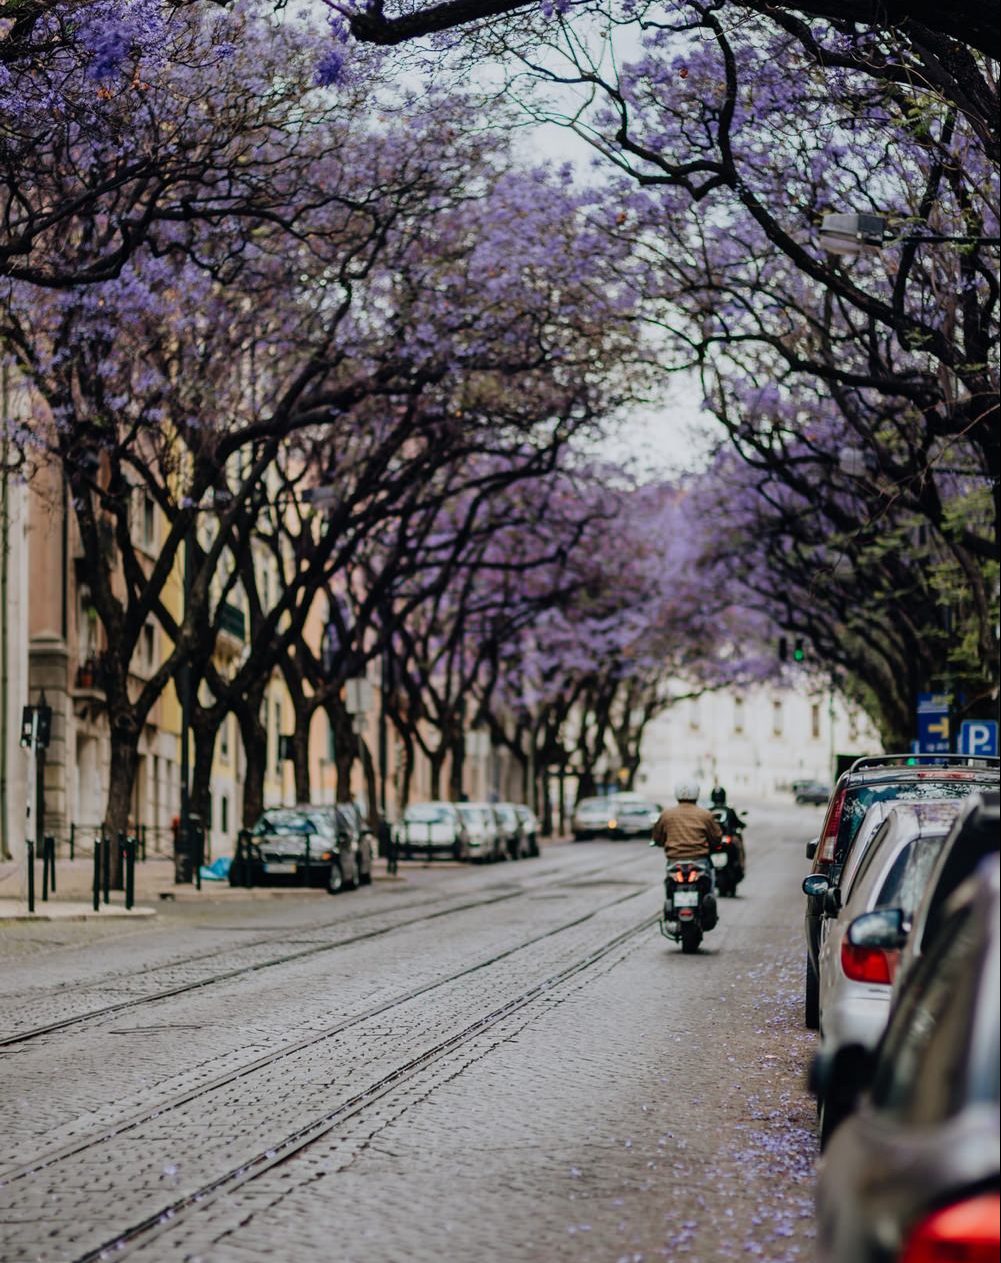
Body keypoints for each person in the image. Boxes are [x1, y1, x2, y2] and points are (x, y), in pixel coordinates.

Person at [653, 782, 723, 861]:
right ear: (697, 793)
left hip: (674, 859)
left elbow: (657, 837)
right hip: (699, 858)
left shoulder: (666, 814)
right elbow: (716, 837)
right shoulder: (705, 814)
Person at [709, 785, 747, 871]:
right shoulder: (729, 810)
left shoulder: (708, 811)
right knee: (738, 846)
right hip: (727, 838)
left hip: (713, 839)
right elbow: (738, 823)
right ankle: (741, 866)